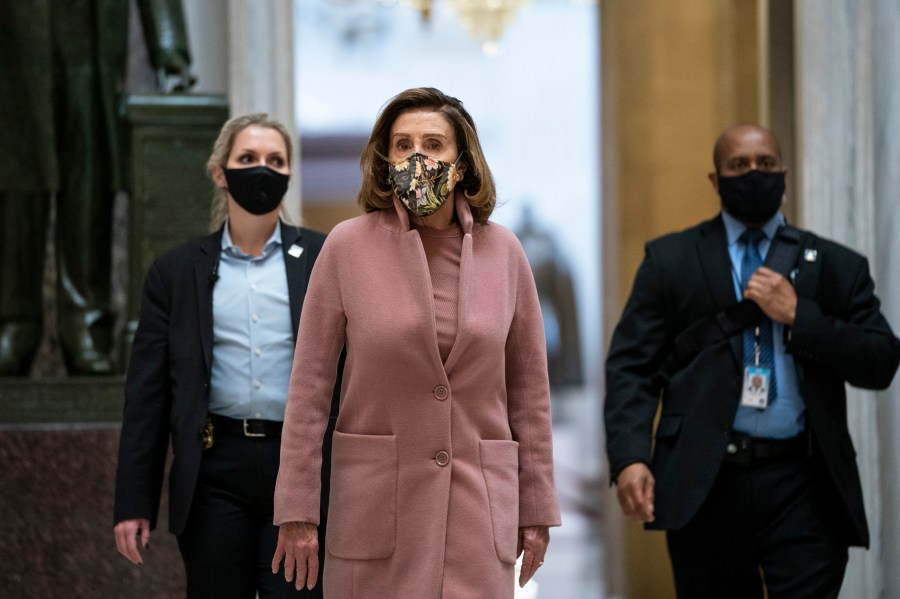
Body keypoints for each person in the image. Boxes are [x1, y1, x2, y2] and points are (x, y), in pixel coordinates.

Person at [271, 87, 561, 598]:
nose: (417, 157)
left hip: (478, 509)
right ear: (386, 162)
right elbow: (310, 389)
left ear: (462, 164)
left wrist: (536, 510)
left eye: (433, 143)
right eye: (402, 146)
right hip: (376, 510)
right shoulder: (346, 246)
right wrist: (297, 509)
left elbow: (530, 393)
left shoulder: (505, 253)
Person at [604, 123, 900, 598]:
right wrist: (630, 457)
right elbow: (631, 367)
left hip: (806, 486)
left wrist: (801, 315)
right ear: (715, 180)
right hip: (706, 482)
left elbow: (881, 360)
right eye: (739, 166)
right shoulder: (670, 261)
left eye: (765, 164)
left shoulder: (836, 266)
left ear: (783, 174)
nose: (754, 174)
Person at [113, 113, 338, 598]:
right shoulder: (176, 273)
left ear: (289, 173)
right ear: (220, 171)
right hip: (214, 470)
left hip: (298, 467)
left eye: (276, 160)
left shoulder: (323, 260)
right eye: (248, 158)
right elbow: (148, 395)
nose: (263, 169)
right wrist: (135, 500)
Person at [0, 0, 194, 375]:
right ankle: (14, 323)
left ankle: (85, 325)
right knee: (17, 182)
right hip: (14, 38)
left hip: (88, 38)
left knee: (88, 182)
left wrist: (170, 50)